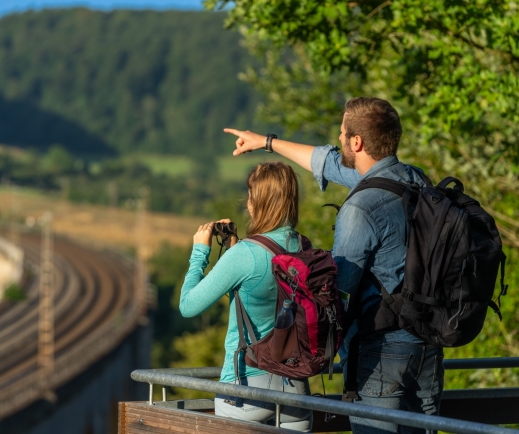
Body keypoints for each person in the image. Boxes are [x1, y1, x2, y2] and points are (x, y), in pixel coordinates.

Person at [224, 97, 444, 434]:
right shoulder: (416, 182)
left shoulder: (360, 207)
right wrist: (266, 142)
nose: (338, 140)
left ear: (357, 142)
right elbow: (327, 163)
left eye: (343, 135)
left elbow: (337, 294)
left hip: (380, 351)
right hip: (427, 344)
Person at [179, 161, 312, 431]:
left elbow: (188, 305)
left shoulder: (245, 255)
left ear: (258, 201)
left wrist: (199, 254)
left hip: (245, 391)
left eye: (250, 196)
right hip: (296, 390)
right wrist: (233, 248)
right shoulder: (304, 247)